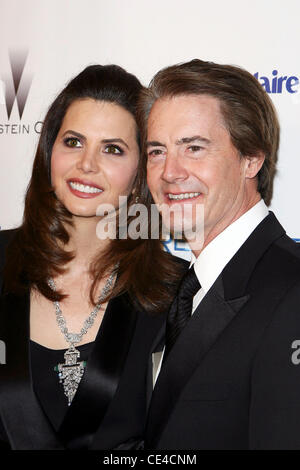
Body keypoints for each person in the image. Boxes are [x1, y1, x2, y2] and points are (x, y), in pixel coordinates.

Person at [0, 64, 184, 450]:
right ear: (49, 149)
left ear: (140, 172)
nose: (87, 164)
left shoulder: (175, 291)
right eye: (73, 142)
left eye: (113, 149)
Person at [138, 59, 300, 449]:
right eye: (157, 151)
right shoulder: (174, 289)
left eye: (193, 148)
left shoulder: (293, 289)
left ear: (252, 159)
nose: (170, 172)